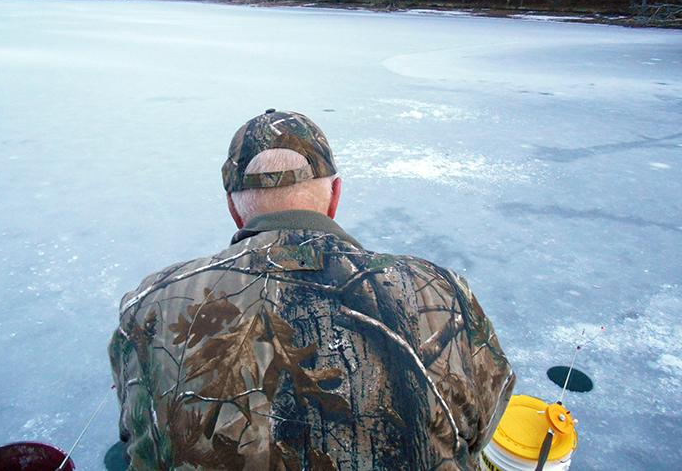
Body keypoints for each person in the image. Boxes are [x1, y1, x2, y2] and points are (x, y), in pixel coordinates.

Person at [109, 109, 515, 471]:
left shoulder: (153, 306)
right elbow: (483, 424)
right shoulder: (442, 293)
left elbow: (142, 448)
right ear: (335, 196)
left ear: (234, 209)